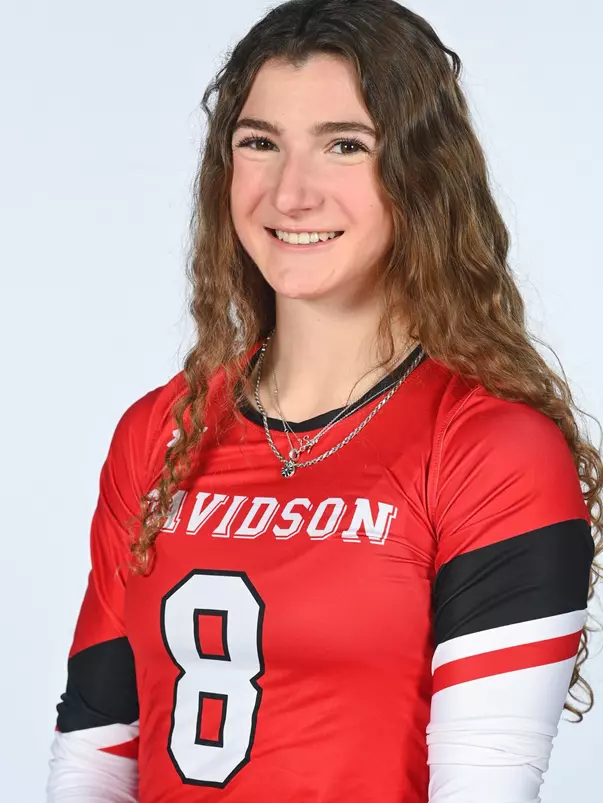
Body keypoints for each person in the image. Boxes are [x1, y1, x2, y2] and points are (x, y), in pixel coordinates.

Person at [46, 1, 602, 801]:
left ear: (419, 173)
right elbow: (94, 758)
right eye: (259, 144)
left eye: (345, 145)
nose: (290, 193)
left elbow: (485, 787)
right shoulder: (160, 430)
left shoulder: (491, 449)